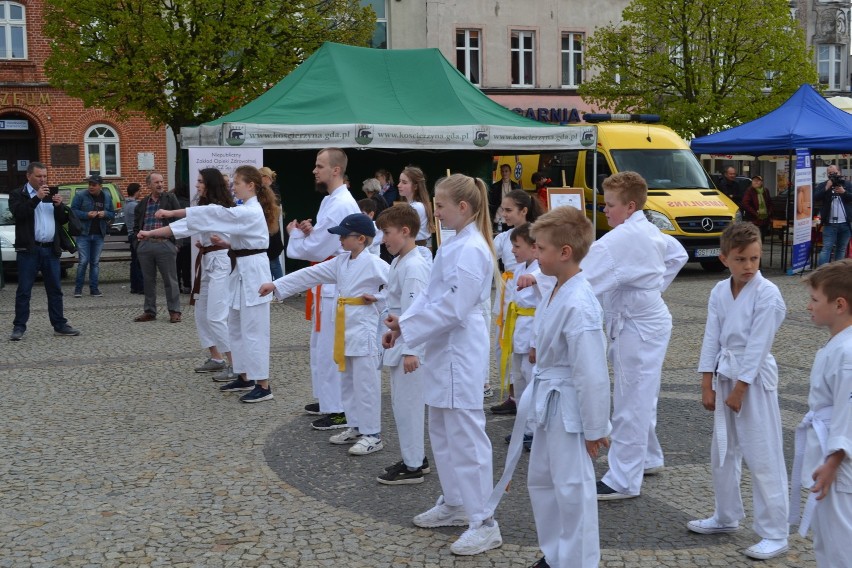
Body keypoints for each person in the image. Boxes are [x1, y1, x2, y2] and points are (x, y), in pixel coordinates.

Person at [487, 206, 611, 568]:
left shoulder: (579, 303)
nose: (535, 254)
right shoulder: (556, 288)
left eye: (540, 248)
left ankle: (578, 561)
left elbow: (592, 373)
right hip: (547, 399)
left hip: (569, 405)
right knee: (542, 481)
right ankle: (556, 554)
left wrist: (595, 427)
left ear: (565, 252)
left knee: (573, 488)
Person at [385, 173, 502, 556]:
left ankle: (484, 521)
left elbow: (454, 308)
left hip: (459, 352)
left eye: (440, 204)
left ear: (463, 208)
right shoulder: (453, 244)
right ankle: (455, 501)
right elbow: (431, 296)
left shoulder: (471, 249)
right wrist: (404, 327)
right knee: (442, 429)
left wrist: (409, 328)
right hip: (442, 349)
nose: (435, 210)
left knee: (466, 436)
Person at [582, 172, 688, 500]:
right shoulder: (644, 228)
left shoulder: (622, 239)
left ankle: (624, 478)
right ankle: (648, 456)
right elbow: (677, 255)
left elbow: (579, 278)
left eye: (610, 204)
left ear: (630, 206)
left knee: (632, 400)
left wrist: (647, 290)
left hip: (640, 326)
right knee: (641, 393)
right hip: (643, 322)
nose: (604, 210)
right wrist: (649, 287)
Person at [689, 222, 789, 561]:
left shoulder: (768, 294)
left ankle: (775, 531)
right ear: (724, 258)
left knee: (762, 453)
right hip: (724, 374)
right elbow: (710, 337)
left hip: (755, 379)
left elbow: (759, 346)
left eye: (755, 259)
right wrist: (707, 382)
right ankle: (726, 515)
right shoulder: (719, 291)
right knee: (722, 451)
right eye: (741, 259)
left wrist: (741, 388)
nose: (749, 266)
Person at [140, 165, 279, 403]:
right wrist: (226, 245)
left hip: (254, 272)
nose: (233, 187)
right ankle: (244, 375)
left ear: (251, 186)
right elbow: (235, 232)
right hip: (239, 269)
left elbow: (217, 214)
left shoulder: (251, 211)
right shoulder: (245, 209)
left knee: (254, 330)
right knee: (234, 325)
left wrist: (174, 213)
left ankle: (263, 385)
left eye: (236, 183)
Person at [261, 213, 389, 452]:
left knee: (366, 383)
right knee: (348, 380)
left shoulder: (376, 264)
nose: (339, 239)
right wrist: (277, 285)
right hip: (344, 327)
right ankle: (355, 425)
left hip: (364, 329)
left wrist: (379, 298)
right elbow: (311, 275)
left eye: (344, 235)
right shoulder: (341, 262)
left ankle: (373, 434)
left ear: (361, 238)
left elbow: (397, 288)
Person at [287, 147, 360, 429]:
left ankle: (339, 408)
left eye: (319, 166)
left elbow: (319, 248)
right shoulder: (331, 200)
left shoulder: (341, 203)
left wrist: (296, 235)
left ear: (336, 170)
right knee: (320, 346)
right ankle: (328, 399)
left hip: (335, 282)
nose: (314, 170)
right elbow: (320, 238)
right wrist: (309, 231)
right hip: (327, 281)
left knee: (332, 348)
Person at [790, 259, 852, 567]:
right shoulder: (839, 345)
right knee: (826, 536)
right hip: (831, 452)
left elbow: (848, 413)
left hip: (841, 464)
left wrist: (833, 461)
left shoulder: (847, 352)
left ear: (839, 304)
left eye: (815, 300)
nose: (809, 307)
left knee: (840, 541)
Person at [373, 205, 432, 484]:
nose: (384, 239)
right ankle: (415, 456)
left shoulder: (414, 266)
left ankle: (413, 465)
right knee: (402, 405)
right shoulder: (401, 261)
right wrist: (395, 334)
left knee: (408, 406)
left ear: (405, 232)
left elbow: (416, 312)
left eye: (387, 233)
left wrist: (411, 350)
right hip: (402, 338)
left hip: (411, 349)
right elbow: (405, 311)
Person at [493, 224, 554, 446]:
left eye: (517, 246)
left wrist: (535, 344)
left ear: (534, 247)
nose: (513, 251)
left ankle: (534, 430)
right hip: (517, 327)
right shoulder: (519, 269)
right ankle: (522, 427)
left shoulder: (542, 273)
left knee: (532, 383)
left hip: (531, 332)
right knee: (518, 381)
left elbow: (544, 309)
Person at [9, 161, 80, 341]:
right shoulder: (18, 194)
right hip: (29, 250)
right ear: (28, 176)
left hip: (50, 250)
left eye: (45, 176)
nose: (43, 180)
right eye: (39, 176)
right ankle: (19, 327)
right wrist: (37, 198)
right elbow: (19, 213)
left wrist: (60, 206)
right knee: (24, 290)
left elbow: (62, 220)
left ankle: (59, 324)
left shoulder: (51, 193)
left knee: (55, 290)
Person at [491, 190, 543, 409]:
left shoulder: (536, 236)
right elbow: (488, 256)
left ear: (524, 210)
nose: (504, 214)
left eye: (509, 210)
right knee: (503, 346)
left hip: (526, 291)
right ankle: (513, 395)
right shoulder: (503, 237)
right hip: (509, 290)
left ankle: (524, 403)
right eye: (502, 209)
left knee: (523, 357)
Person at [184, 168, 236, 377]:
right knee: (201, 311)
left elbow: (183, 224)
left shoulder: (217, 208)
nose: (196, 185)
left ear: (210, 184)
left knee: (216, 315)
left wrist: (154, 231)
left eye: (200, 181)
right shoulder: (206, 207)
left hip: (220, 262)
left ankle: (236, 364)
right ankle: (216, 357)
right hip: (208, 260)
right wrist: (204, 242)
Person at [133, 172, 182, 323]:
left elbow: (179, 221)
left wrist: (176, 244)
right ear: (149, 185)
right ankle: (149, 311)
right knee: (148, 281)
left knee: (170, 280)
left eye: (161, 181)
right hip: (146, 245)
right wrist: (138, 244)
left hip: (165, 244)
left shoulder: (170, 199)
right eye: (156, 182)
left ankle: (174, 311)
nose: (160, 184)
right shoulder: (143, 203)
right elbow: (136, 225)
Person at [70, 174, 115, 297]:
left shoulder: (106, 196)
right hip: (83, 234)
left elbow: (112, 213)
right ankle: (78, 289)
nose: (91, 187)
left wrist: (104, 213)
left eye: (94, 185)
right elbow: (72, 211)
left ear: (100, 186)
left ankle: (94, 289)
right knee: (83, 261)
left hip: (99, 234)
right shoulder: (80, 196)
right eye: (89, 184)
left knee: (95, 262)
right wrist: (86, 215)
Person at [814, 165, 852, 266]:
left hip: (845, 223)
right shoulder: (823, 185)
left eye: (834, 173)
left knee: (841, 248)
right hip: (830, 223)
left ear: (839, 173)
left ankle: (837, 272)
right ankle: (822, 272)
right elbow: (815, 197)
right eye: (829, 173)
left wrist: (844, 192)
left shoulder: (847, 184)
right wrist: (827, 187)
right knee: (826, 248)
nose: (832, 175)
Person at [398, 166, 435, 248]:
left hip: (417, 247)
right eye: (400, 181)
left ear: (415, 186)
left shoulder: (417, 207)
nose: (399, 185)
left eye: (404, 182)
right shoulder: (413, 205)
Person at [259, 166, 285, 280]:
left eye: (259, 177)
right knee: (271, 263)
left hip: (271, 231)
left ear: (265, 177)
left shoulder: (273, 191)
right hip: (269, 230)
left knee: (274, 263)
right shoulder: (269, 190)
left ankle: (281, 289)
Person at [124, 183, 144, 295]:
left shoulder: (127, 204)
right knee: (138, 262)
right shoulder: (134, 206)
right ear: (136, 191)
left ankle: (134, 286)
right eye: (139, 190)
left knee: (134, 262)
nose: (140, 193)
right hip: (135, 235)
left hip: (130, 234)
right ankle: (140, 286)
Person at [489, 163, 520, 232]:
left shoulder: (516, 186)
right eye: (502, 171)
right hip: (499, 216)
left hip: (512, 216)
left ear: (510, 172)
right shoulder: (495, 186)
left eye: (506, 171)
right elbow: (491, 203)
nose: (504, 173)